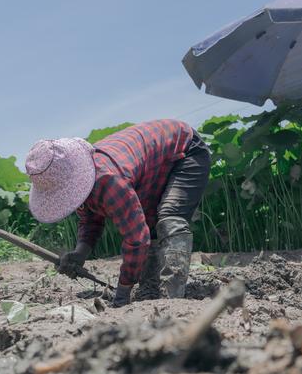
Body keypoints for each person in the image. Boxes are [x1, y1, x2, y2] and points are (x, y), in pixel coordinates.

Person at [24, 119, 211, 307]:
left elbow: (137, 239)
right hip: (154, 165)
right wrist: (80, 252)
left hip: (186, 149)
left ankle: (173, 296)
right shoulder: (85, 179)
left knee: (170, 216)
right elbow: (90, 218)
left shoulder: (107, 179)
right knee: (148, 221)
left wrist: (123, 292)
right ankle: (151, 288)